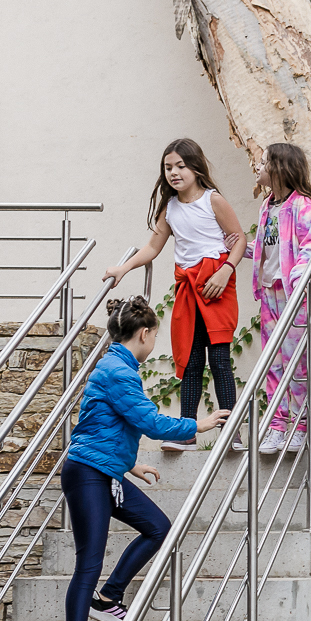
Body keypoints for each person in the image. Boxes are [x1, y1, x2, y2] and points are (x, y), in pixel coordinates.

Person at [53, 297, 229, 621]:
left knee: (158, 527)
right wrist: (197, 426)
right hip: (88, 474)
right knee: (88, 562)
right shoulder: (119, 371)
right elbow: (147, 421)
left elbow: (101, 422)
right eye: (155, 336)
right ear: (145, 334)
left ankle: (109, 597)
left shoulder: (117, 366)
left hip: (104, 470)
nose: (155, 343)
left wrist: (131, 464)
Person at [105, 138, 246, 447]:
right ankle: (187, 433)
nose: (174, 172)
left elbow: (239, 239)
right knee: (191, 360)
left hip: (216, 286)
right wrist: (123, 268)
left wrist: (226, 270)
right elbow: (153, 247)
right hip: (187, 289)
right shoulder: (169, 208)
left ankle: (230, 429)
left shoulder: (213, 200)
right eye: (168, 167)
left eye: (181, 166)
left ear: (196, 168)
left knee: (220, 360)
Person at [236, 143, 311, 454]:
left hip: (292, 296)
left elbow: (309, 247)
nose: (257, 168)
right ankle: (276, 425)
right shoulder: (268, 206)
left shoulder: (302, 206)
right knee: (272, 361)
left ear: (280, 168)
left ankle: (299, 426)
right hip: (269, 294)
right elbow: (267, 249)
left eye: (262, 162)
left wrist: (299, 281)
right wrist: (238, 246)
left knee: (295, 362)